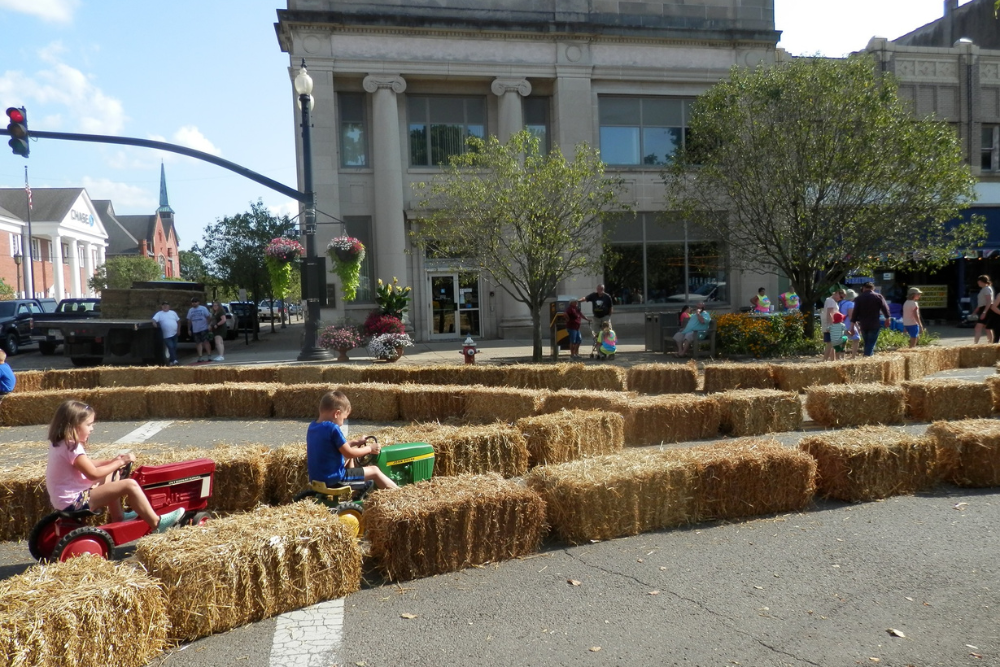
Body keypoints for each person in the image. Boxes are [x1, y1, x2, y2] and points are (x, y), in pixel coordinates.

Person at [45, 400, 185, 532]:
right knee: (130, 485)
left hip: (63, 499)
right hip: (74, 501)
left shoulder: (60, 443)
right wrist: (120, 462)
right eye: (89, 425)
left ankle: (119, 516)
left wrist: (112, 461)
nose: (92, 429)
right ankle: (156, 523)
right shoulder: (72, 447)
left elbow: (87, 463)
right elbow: (93, 473)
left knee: (112, 474)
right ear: (74, 426)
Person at [306, 390, 397, 490]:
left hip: (317, 479)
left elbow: (338, 447)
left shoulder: (313, 426)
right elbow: (349, 453)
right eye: (344, 419)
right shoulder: (332, 428)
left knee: (348, 458)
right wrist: (370, 448)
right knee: (374, 470)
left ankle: (355, 487)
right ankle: (399, 494)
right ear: (337, 413)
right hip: (335, 479)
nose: (342, 423)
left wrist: (356, 442)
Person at [851, 282, 891, 357]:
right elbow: (885, 308)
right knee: (871, 343)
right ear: (873, 288)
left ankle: (869, 357)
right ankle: (866, 357)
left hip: (863, 324)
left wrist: (852, 325)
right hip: (874, 323)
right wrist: (887, 318)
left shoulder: (859, 298)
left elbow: (855, 313)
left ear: (863, 288)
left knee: (867, 343)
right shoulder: (878, 296)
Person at [151, 301, 180, 366]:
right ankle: (175, 360)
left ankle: (171, 361)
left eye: (166, 305)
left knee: (174, 347)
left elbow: (178, 321)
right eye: (164, 305)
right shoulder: (159, 314)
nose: (165, 306)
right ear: (161, 306)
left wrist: (178, 330)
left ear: (169, 306)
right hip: (166, 335)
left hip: (174, 333)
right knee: (171, 347)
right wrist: (154, 322)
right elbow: (154, 319)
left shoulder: (173, 313)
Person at [820, 289, 844, 361]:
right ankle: (825, 359)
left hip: (829, 324)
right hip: (830, 325)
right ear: (836, 293)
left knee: (831, 343)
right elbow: (829, 314)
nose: (840, 299)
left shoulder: (829, 300)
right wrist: (832, 326)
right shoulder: (831, 301)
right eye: (840, 297)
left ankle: (832, 360)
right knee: (830, 343)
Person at [186, 297, 212, 363]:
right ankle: (200, 356)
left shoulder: (203, 308)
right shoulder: (190, 310)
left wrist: (209, 325)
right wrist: (189, 329)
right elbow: (189, 320)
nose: (194, 303)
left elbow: (208, 317)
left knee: (206, 341)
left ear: (198, 302)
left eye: (195, 302)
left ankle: (209, 355)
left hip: (204, 328)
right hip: (195, 329)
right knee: (198, 343)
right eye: (193, 302)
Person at [839, 289, 860, 359]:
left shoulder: (841, 303)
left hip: (841, 323)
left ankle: (842, 356)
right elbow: (851, 316)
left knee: (843, 340)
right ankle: (853, 356)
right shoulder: (851, 304)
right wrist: (856, 325)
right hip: (848, 324)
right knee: (856, 339)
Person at [975, 275, 994, 344]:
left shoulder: (986, 289)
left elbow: (989, 301)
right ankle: (990, 343)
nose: (978, 283)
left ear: (982, 281)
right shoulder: (984, 289)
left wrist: (984, 312)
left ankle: (975, 343)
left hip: (986, 309)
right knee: (987, 328)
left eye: (979, 281)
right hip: (984, 309)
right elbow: (981, 302)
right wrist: (975, 311)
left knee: (978, 327)